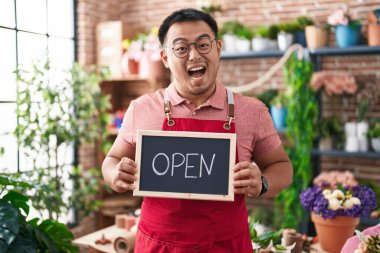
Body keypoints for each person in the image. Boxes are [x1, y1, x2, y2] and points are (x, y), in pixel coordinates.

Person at [102, 8, 293, 252]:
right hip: (158, 245)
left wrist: (263, 183)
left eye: (203, 44)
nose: (194, 55)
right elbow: (111, 160)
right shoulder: (142, 109)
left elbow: (282, 167)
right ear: (165, 58)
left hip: (226, 245)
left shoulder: (252, 111)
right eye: (181, 48)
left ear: (218, 49)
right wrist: (115, 175)